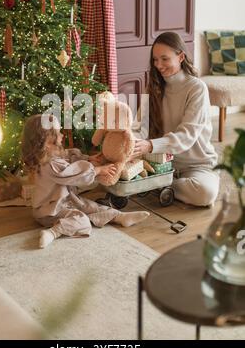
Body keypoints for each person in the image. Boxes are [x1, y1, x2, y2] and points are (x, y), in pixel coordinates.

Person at [22, 115, 149, 248]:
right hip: (49, 211)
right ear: (47, 143)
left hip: (65, 200)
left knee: (91, 206)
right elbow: (74, 173)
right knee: (82, 220)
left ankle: (119, 217)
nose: (62, 135)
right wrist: (98, 170)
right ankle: (53, 232)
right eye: (58, 133)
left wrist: (89, 159)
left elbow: (69, 157)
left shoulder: (50, 154)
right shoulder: (49, 165)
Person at [132, 32, 219, 207]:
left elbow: (186, 136)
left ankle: (158, 186)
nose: (159, 65)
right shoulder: (154, 87)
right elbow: (140, 128)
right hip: (160, 163)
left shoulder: (196, 88)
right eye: (155, 60)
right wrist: (128, 139)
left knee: (205, 194)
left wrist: (150, 145)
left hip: (196, 166)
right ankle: (159, 184)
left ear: (180, 57)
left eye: (164, 59)